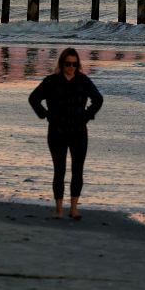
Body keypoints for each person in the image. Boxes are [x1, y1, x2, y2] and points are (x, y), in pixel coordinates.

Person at [28, 48, 103, 220]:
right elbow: (33, 98)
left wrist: (86, 115)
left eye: (74, 64)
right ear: (61, 64)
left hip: (78, 131)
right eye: (68, 64)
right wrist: (46, 115)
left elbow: (98, 99)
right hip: (57, 131)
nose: (71, 67)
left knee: (78, 170)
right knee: (59, 170)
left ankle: (74, 208)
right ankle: (59, 209)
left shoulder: (83, 81)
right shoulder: (51, 81)